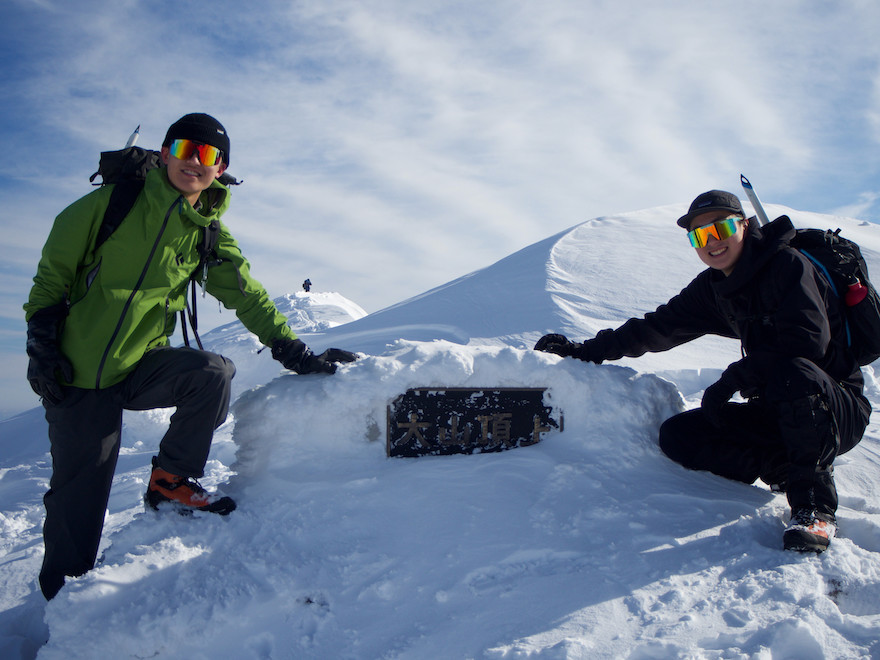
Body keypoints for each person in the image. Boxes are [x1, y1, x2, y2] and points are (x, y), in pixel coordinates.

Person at [24, 113, 357, 600]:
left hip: (138, 366)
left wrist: (292, 349)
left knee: (212, 373)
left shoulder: (205, 231)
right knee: (80, 499)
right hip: (77, 373)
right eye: (185, 149)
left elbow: (247, 293)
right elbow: (51, 279)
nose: (193, 162)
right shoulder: (108, 206)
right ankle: (63, 609)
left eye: (207, 156)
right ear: (164, 154)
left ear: (220, 169)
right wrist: (42, 346)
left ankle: (170, 479)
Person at [535, 190, 870, 554]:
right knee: (681, 436)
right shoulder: (715, 289)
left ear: (743, 224)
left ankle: (814, 509)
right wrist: (584, 352)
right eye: (699, 235)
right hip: (777, 409)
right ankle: (785, 467)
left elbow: (807, 343)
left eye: (719, 228)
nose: (711, 241)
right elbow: (657, 327)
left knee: (794, 371)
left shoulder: (787, 266)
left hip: (835, 409)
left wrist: (731, 380)